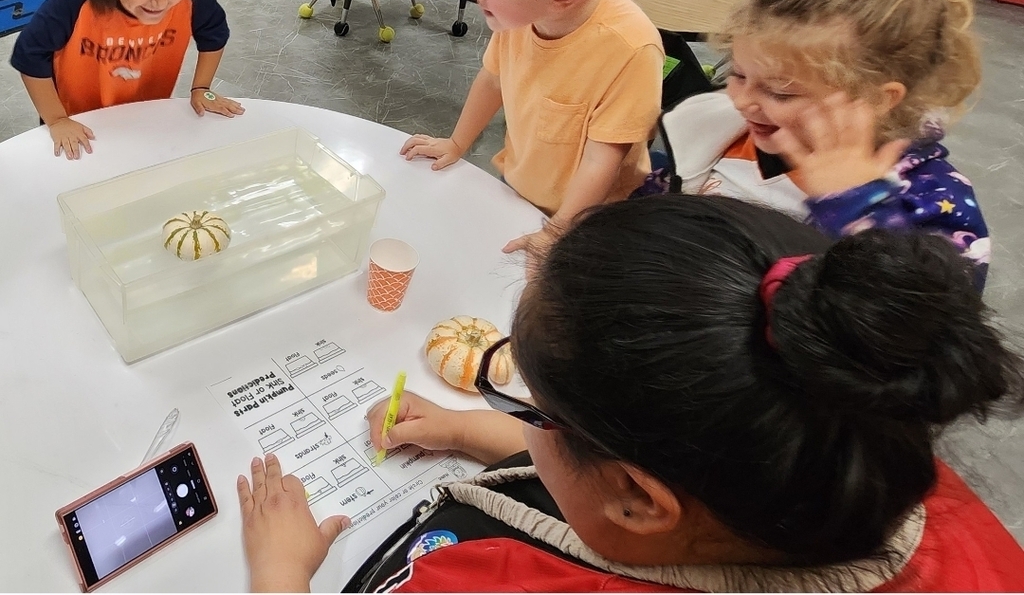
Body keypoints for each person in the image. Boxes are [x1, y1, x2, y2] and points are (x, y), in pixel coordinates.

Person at [238, 196, 1024, 592]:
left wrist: (280, 574)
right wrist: (477, 432)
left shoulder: (483, 581)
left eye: (528, 404)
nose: (512, 409)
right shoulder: (861, 430)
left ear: (639, 499)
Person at [661, 0, 989, 285]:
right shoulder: (724, 135)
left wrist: (857, 205)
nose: (741, 101)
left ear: (878, 99)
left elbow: (929, 319)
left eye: (781, 93)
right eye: (738, 74)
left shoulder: (932, 199)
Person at [399, 0, 664, 255]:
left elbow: (601, 161)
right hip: (523, 189)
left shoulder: (631, 50)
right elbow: (493, 80)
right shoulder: (521, 16)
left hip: (590, 222)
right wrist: (457, 142)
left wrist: (557, 232)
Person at [10, 0, 243, 159]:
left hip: (143, 118)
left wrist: (201, 88)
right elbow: (30, 54)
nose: (161, 1)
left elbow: (215, 30)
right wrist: (56, 120)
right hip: (79, 121)